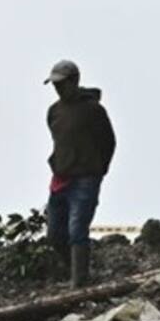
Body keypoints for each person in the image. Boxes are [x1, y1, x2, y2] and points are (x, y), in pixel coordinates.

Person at [44, 59, 116, 288]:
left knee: (77, 229)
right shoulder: (54, 112)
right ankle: (72, 271)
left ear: (74, 81)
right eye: (55, 84)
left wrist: (98, 169)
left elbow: (109, 142)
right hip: (61, 179)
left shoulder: (93, 110)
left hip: (86, 178)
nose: (58, 88)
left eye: (61, 84)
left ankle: (79, 280)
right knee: (55, 233)